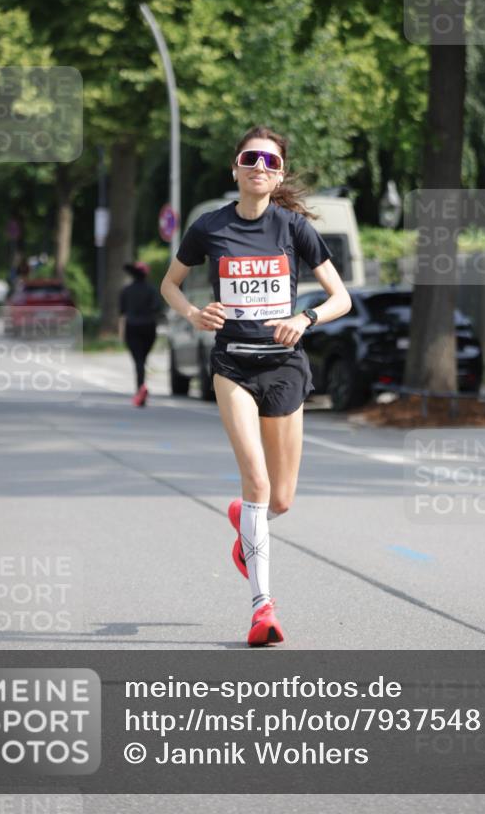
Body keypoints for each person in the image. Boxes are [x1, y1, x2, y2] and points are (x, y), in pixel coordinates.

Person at [160, 125, 351, 646]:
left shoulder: (293, 229)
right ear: (236, 167)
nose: (260, 167)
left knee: (282, 500)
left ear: (279, 173)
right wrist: (196, 313)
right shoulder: (209, 227)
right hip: (234, 369)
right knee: (259, 485)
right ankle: (262, 610)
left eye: (270, 162)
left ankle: (244, 521)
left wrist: (306, 318)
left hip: (285, 367)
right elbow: (169, 284)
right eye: (251, 158)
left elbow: (342, 298)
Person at [119, 261, 162, 407]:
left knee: (138, 360)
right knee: (142, 359)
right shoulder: (151, 290)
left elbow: (122, 312)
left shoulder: (126, 290)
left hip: (132, 327)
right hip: (149, 327)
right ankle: (141, 388)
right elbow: (157, 308)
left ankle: (140, 389)